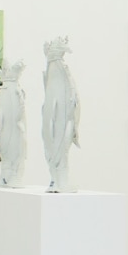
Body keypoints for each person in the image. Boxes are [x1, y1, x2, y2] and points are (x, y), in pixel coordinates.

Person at [41, 37, 80, 193]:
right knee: (58, 143)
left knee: (60, 142)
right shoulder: (58, 75)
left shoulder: (56, 74)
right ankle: (58, 180)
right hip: (60, 118)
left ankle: (58, 180)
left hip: (62, 117)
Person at [0, 60, 26, 187]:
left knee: (14, 147)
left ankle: (11, 175)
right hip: (10, 132)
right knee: (12, 146)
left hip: (13, 131)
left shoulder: (11, 93)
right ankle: (9, 175)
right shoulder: (11, 93)